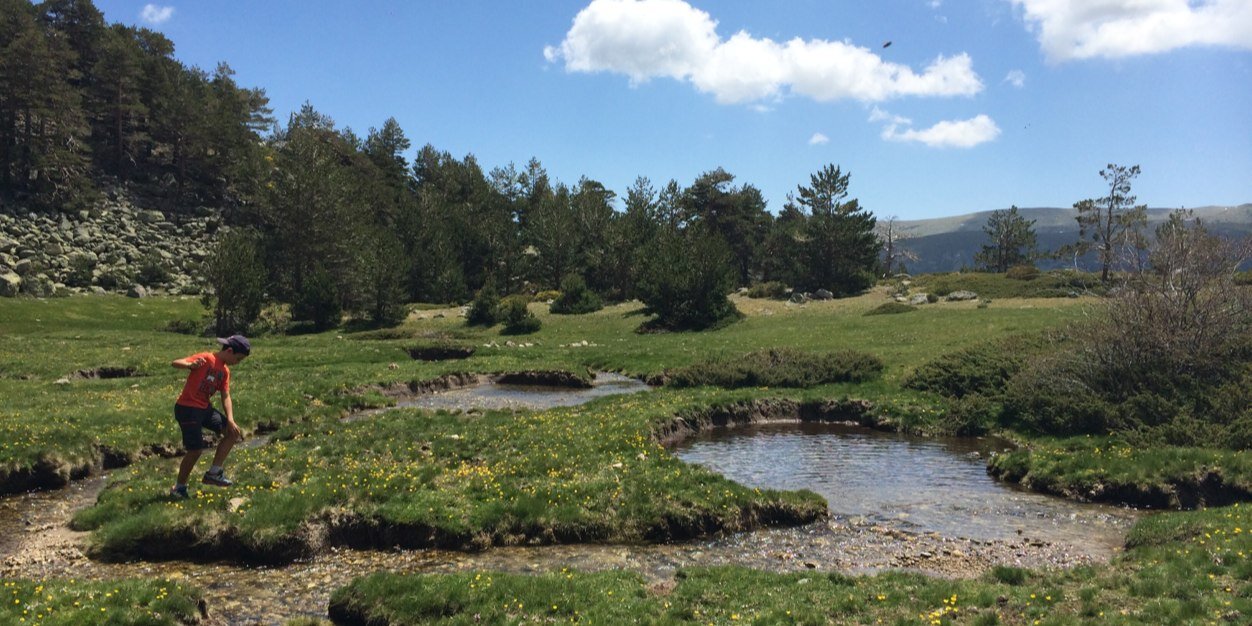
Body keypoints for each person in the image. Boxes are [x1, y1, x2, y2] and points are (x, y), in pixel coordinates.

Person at [168, 334, 250, 499]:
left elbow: (225, 396)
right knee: (196, 450)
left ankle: (214, 473)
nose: (238, 363)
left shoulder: (225, 372)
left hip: (204, 409)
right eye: (238, 359)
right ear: (229, 350)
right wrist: (189, 365)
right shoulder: (206, 358)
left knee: (232, 432)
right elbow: (175, 362)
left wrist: (231, 420)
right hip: (187, 408)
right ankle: (179, 487)